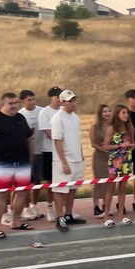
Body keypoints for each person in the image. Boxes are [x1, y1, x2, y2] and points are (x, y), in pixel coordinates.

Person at [0, 92, 34, 238]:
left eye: (16, 103)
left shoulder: (21, 118)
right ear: (3, 104)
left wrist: (31, 158)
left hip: (23, 162)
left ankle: (16, 221)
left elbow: (29, 138)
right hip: (3, 163)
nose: (14, 106)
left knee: (22, 193)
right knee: (1, 194)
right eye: (11, 103)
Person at [50, 90, 87, 232]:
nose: (73, 103)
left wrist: (81, 156)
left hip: (77, 158)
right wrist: (64, 162)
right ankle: (59, 217)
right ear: (63, 102)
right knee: (60, 189)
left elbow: (77, 139)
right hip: (63, 160)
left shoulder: (75, 118)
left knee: (72, 188)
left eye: (74, 100)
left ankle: (68, 214)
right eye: (70, 101)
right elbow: (57, 141)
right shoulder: (57, 118)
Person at [101, 105, 134, 227]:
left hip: (127, 159)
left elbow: (132, 143)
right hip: (115, 160)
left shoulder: (130, 128)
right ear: (118, 114)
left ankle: (121, 215)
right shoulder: (111, 129)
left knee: (123, 188)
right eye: (123, 113)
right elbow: (105, 146)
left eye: (127, 113)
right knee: (110, 187)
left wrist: (131, 145)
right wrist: (120, 145)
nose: (126, 115)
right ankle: (106, 216)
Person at [18, 90, 45, 221]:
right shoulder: (20, 115)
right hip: (27, 153)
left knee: (37, 180)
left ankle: (35, 204)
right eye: (29, 100)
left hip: (41, 150)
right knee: (26, 182)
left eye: (34, 99)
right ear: (23, 101)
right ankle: (26, 207)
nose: (32, 102)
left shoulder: (42, 111)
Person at [37, 86, 61, 221]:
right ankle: (50, 208)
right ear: (51, 98)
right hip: (49, 151)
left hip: (65, 151)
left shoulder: (65, 111)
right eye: (57, 96)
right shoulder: (44, 113)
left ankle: (64, 208)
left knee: (64, 181)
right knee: (51, 181)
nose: (59, 99)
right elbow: (48, 133)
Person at [89, 104, 112, 217]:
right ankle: (96, 206)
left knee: (109, 182)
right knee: (99, 182)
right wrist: (102, 149)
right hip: (99, 157)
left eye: (109, 111)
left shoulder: (113, 126)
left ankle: (105, 205)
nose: (107, 113)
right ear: (100, 114)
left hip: (111, 157)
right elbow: (93, 143)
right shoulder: (94, 127)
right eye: (104, 111)